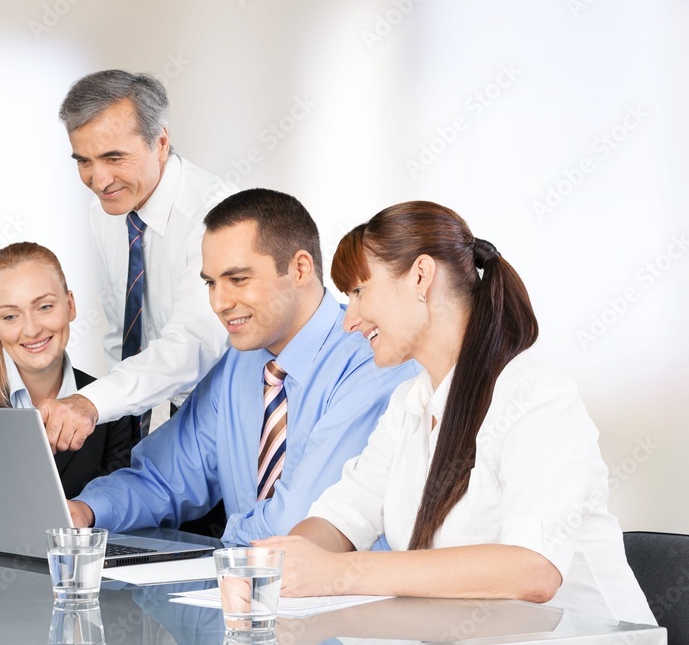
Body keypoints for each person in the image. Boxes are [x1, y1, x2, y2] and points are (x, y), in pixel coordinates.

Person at [255, 201, 656, 625]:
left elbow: (533, 570)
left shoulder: (536, 396)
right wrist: (276, 569)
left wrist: (338, 574)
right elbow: (343, 517)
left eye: (358, 291)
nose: (349, 320)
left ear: (421, 277)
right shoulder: (409, 404)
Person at [67, 189, 418, 544]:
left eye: (237, 279)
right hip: (251, 588)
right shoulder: (240, 362)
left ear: (299, 269)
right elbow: (164, 478)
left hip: (343, 596)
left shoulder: (375, 360)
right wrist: (87, 510)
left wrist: (219, 547)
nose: (219, 303)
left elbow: (299, 523)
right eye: (211, 283)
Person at [44, 70, 237, 452]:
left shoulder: (218, 214)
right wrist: (120, 433)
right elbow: (123, 332)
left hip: (224, 423)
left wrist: (93, 402)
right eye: (84, 161)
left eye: (114, 157)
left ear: (160, 141)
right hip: (150, 423)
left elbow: (193, 344)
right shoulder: (106, 211)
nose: (99, 180)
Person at [0, 242, 133, 528]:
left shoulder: (107, 403)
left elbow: (117, 521)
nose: (31, 330)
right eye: (10, 316)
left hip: (76, 570)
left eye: (44, 307)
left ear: (70, 305)